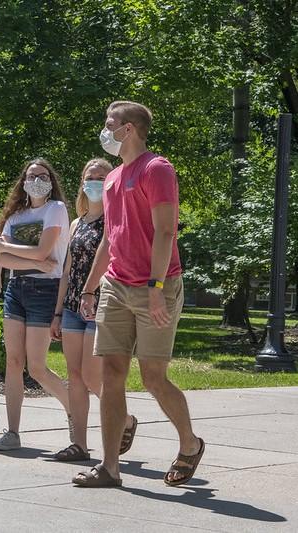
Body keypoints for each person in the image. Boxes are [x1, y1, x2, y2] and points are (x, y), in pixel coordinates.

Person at [73, 101, 204, 488]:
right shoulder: (112, 179)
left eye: (108, 123)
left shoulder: (157, 169)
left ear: (128, 129)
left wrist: (157, 288)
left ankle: (190, 444)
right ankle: (109, 467)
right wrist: (89, 286)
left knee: (153, 377)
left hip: (156, 284)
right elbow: (110, 241)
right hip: (116, 284)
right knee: (111, 374)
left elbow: (166, 232)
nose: (104, 129)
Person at [51, 158, 138, 462]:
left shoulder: (115, 218)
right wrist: (58, 311)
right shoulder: (78, 222)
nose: (95, 182)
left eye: (101, 177)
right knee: (74, 376)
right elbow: (66, 271)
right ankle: (79, 445)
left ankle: (125, 420)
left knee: (91, 377)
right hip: (74, 305)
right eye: (90, 177)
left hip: (102, 304)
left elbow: (112, 261)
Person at [0, 158, 71, 451]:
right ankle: (12, 432)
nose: (37, 180)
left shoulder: (56, 209)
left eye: (43, 175)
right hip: (16, 289)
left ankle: (74, 407)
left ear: (51, 181)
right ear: (23, 181)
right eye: (32, 175)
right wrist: (32, 258)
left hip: (45, 291)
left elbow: (44, 251)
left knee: (36, 367)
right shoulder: (15, 216)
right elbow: (2, 260)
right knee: (13, 362)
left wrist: (8, 247)